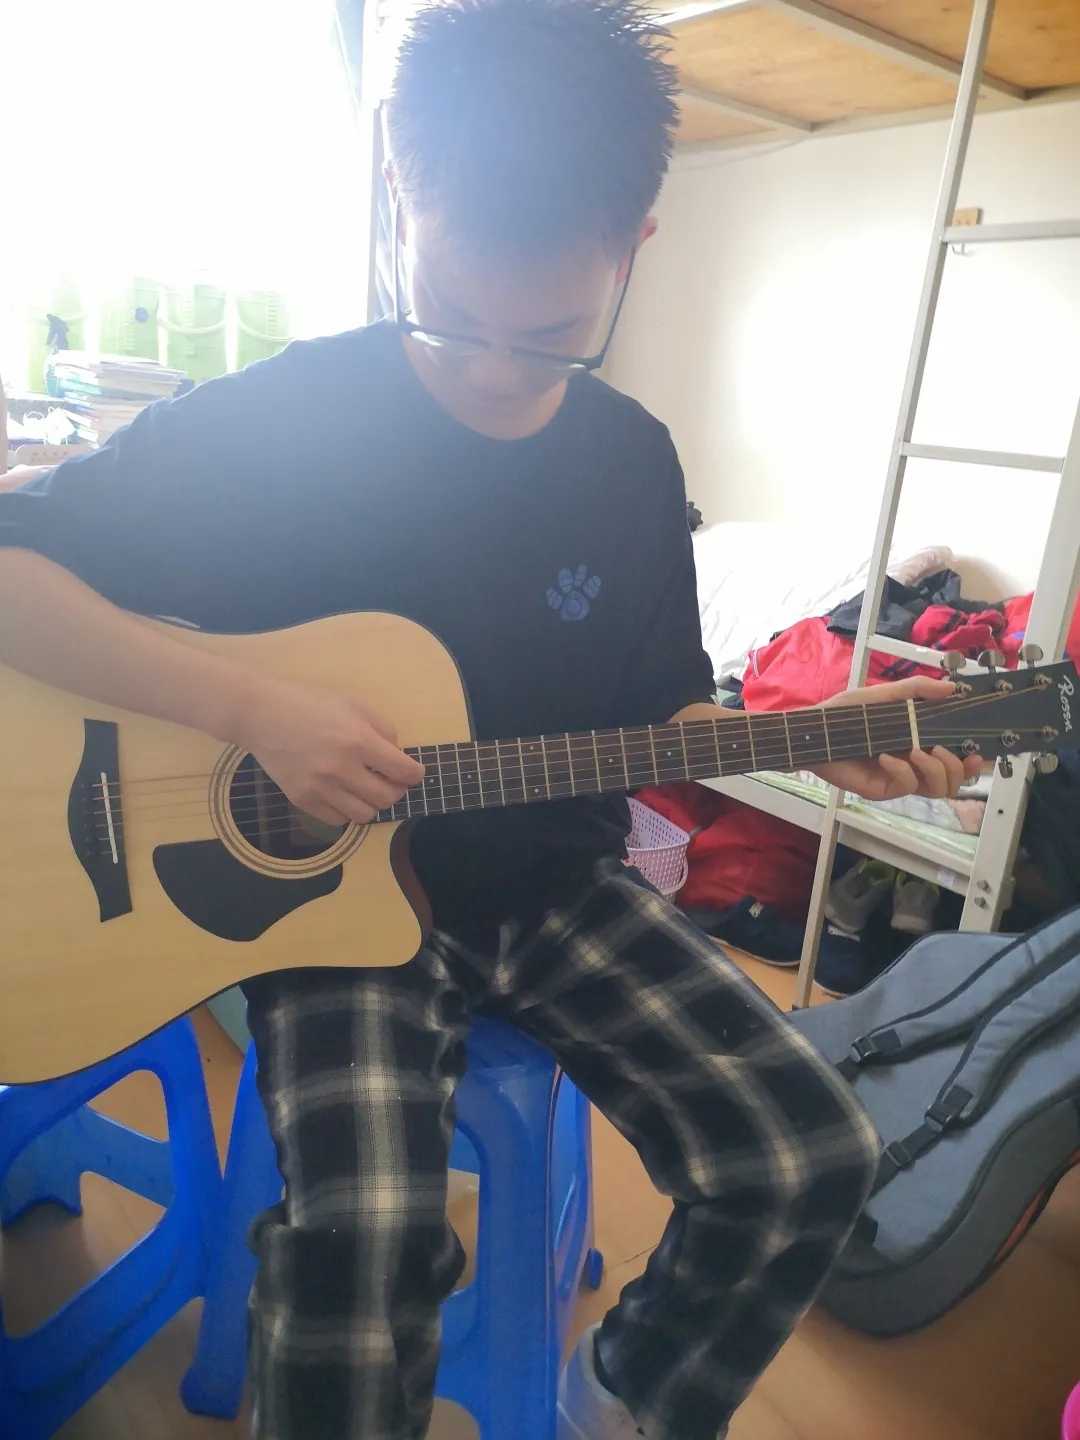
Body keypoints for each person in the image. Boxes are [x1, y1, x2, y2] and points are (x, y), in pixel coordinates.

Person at [0, 2, 978, 1436]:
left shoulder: (630, 464)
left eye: (555, 335)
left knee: (807, 1152)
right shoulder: (278, 424)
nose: (496, 366)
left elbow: (658, 708)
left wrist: (819, 737)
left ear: (636, 243)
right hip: (328, 917)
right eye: (451, 311)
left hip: (554, 890)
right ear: (403, 192)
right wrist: (253, 706)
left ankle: (619, 1402)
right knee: (361, 1252)